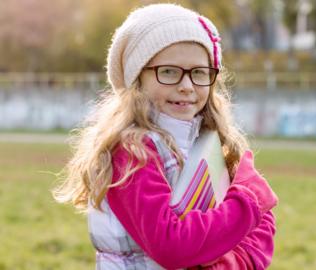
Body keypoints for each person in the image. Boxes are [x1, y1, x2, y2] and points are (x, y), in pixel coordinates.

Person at [53, 3, 278, 270]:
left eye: (198, 73)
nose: (186, 86)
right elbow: (171, 246)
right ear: (137, 79)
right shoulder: (132, 151)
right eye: (169, 71)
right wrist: (249, 199)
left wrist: (234, 261)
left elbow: (262, 224)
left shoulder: (206, 143)